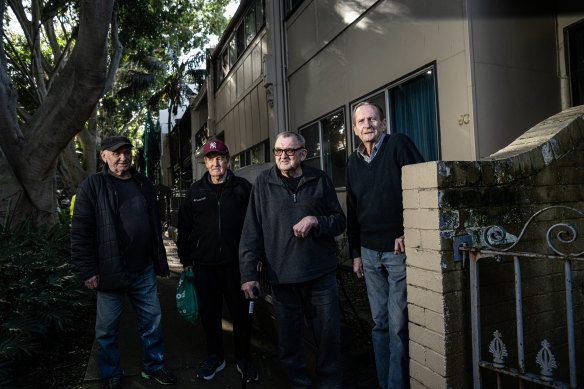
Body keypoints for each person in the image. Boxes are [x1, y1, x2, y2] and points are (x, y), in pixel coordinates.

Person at [239, 131, 346, 389]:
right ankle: (300, 385)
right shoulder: (263, 184)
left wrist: (316, 221)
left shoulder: (319, 180)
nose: (282, 156)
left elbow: (339, 221)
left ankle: (329, 385)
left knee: (329, 338)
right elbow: (251, 232)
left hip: (320, 276)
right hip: (282, 278)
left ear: (302, 154)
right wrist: (248, 274)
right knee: (289, 343)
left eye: (289, 151)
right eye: (278, 151)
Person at [71, 136, 177, 389]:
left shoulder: (142, 182)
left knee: (151, 322)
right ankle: (111, 374)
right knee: (106, 331)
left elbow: (154, 221)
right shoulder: (92, 186)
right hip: (110, 272)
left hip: (143, 269)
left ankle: (155, 366)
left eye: (127, 152)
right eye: (117, 153)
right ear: (104, 156)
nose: (123, 157)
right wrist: (88, 271)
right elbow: (80, 233)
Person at [346, 102, 424, 389]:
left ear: (383, 122)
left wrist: (409, 230)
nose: (367, 124)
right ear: (354, 129)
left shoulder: (398, 145)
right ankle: (384, 382)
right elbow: (351, 214)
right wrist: (355, 254)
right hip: (368, 253)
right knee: (379, 324)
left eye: (372, 119)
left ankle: (397, 385)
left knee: (398, 325)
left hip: (396, 252)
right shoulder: (352, 163)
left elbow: (422, 188)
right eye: (361, 121)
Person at [176, 140, 259, 383]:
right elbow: (184, 228)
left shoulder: (243, 188)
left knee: (240, 314)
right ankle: (215, 356)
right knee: (209, 314)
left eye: (220, 157)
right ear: (206, 162)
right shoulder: (195, 192)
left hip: (236, 265)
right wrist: (186, 260)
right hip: (204, 265)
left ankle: (244, 358)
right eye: (210, 159)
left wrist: (256, 257)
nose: (215, 163)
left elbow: (255, 225)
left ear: (228, 160)